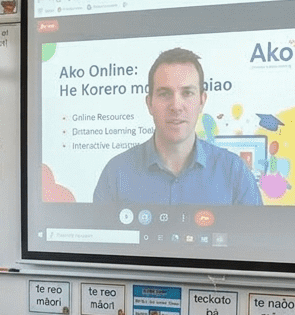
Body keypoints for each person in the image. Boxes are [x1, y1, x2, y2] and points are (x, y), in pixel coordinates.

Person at [92, 48, 261, 206]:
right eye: (164, 94)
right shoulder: (115, 174)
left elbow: (257, 237)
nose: (176, 106)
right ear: (149, 103)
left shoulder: (235, 174)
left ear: (202, 101)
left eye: (187, 93)